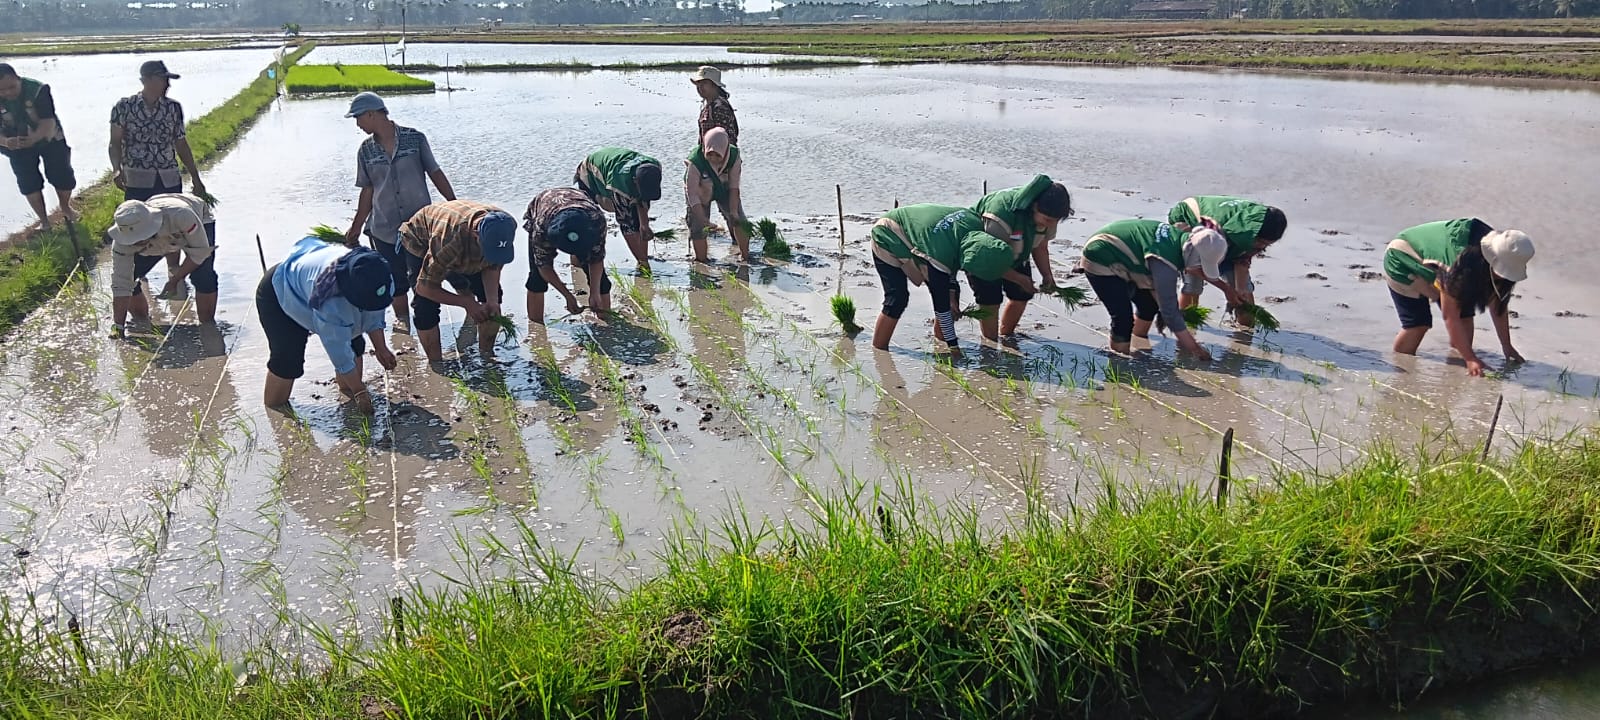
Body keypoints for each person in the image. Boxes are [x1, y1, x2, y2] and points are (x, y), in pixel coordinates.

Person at [341, 91, 456, 334]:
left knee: (422, 277)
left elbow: (435, 173)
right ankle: (403, 321)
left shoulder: (415, 139)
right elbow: (367, 192)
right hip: (384, 227)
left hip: (419, 228)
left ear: (372, 114)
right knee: (393, 280)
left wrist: (454, 205)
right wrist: (355, 226)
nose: (358, 124)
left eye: (358, 118)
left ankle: (426, 321)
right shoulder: (366, 151)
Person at [257, 235, 400, 414]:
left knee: (355, 345)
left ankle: (349, 403)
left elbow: (374, 314)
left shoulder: (381, 277)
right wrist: (360, 391)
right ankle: (275, 415)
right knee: (287, 360)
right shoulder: (331, 300)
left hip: (310, 277)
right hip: (281, 291)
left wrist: (381, 348)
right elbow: (338, 350)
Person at [1383, 218, 1534, 377]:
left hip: (1439, 268)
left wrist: (1507, 345)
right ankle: (1400, 368)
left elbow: (1498, 302)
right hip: (1402, 257)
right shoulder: (1460, 263)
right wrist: (1470, 358)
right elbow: (1450, 316)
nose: (1504, 276)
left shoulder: (1498, 249)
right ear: (1492, 260)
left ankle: (1456, 368)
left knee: (1466, 316)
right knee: (1418, 324)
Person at [870, 203, 1021, 355]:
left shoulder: (976, 225)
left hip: (929, 236)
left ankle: (939, 340)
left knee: (949, 298)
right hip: (888, 233)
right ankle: (879, 352)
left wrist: (952, 295)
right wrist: (954, 347)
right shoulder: (939, 257)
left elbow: (952, 261)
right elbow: (941, 306)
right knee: (897, 299)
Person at [1079, 219, 1239, 361]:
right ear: (1194, 255)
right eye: (1201, 264)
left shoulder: (1181, 240)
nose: (1199, 269)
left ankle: (1137, 341)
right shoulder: (1165, 263)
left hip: (1127, 257)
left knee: (1149, 305)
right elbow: (1169, 312)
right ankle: (1119, 362)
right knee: (1122, 318)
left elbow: (1162, 298)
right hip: (1101, 257)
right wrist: (1195, 350)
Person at [110, 60, 205, 292]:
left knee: (172, 227)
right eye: (163, 80)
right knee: (137, 227)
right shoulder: (124, 107)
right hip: (137, 177)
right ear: (148, 80)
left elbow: (181, 143)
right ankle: (138, 274)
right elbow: (115, 142)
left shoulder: (173, 108)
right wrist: (116, 168)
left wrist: (195, 177)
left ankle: (174, 274)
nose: (167, 85)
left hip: (168, 176)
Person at [398, 199, 516, 363]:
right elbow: (424, 287)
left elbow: (493, 266)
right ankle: (437, 365)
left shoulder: (505, 225)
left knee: (491, 301)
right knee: (425, 307)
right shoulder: (449, 239)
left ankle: (487, 356)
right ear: (476, 235)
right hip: (419, 239)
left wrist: (492, 300)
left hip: (459, 236)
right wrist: (466, 302)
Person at [969, 175, 1074, 341]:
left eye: (1055, 221)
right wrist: (1018, 277)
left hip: (1016, 250)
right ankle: (989, 344)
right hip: (983, 254)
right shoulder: (1000, 214)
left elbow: (1040, 246)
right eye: (1047, 220)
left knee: (1021, 295)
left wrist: (1047, 275)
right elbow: (989, 259)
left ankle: (1007, 335)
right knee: (990, 300)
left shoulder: (1048, 218)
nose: (1050, 225)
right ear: (1034, 206)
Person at [106, 193, 218, 336]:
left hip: (198, 217)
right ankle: (141, 321)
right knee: (130, 277)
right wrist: (118, 327)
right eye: (133, 241)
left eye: (140, 238)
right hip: (160, 232)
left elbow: (200, 253)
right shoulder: (121, 242)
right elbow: (121, 283)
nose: (136, 243)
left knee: (203, 276)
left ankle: (208, 325)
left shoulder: (182, 216)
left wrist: (175, 279)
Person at [1167, 195, 1288, 325]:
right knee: (1193, 285)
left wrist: (1239, 290)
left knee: (1244, 293)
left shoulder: (1255, 230)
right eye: (1260, 242)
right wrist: (1226, 289)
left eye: (1267, 244)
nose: (1261, 247)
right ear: (1254, 235)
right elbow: (1193, 269)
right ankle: (1187, 327)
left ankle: (1245, 330)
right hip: (1191, 222)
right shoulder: (1214, 232)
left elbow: (1242, 260)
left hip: (1231, 235)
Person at [0, 63, 76, 232]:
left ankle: (65, 208)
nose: (7, 93)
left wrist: (33, 138)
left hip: (48, 137)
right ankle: (44, 221)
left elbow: (48, 122)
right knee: (29, 182)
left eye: (11, 87)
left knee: (62, 175)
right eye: (2, 91)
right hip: (14, 144)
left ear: (18, 79)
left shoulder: (38, 89)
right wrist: (6, 142)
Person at [523, 187, 611, 323]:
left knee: (601, 283)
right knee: (537, 279)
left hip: (580, 207)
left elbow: (597, 260)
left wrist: (594, 292)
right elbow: (544, 267)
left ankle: (606, 322)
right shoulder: (541, 230)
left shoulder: (596, 220)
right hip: (543, 205)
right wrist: (568, 296)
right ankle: (536, 326)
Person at [574, 147, 662, 271]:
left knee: (636, 221)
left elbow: (643, 200)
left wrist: (644, 224)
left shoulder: (654, 167)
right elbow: (627, 228)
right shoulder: (619, 185)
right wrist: (644, 263)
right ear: (635, 181)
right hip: (590, 171)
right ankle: (576, 261)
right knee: (588, 220)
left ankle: (642, 258)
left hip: (615, 166)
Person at [685, 127, 750, 262]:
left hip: (724, 187)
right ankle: (702, 260)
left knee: (740, 221)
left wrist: (733, 212)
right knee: (698, 227)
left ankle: (745, 256)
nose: (713, 158)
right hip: (700, 189)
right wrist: (703, 220)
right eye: (710, 154)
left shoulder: (733, 156)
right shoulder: (695, 161)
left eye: (717, 155)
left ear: (725, 151)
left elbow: (734, 187)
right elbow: (692, 195)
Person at [691, 65, 738, 147]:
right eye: (698, 83)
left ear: (714, 85)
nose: (700, 87)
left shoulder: (720, 107)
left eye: (704, 83)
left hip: (718, 157)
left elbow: (727, 140)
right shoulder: (709, 105)